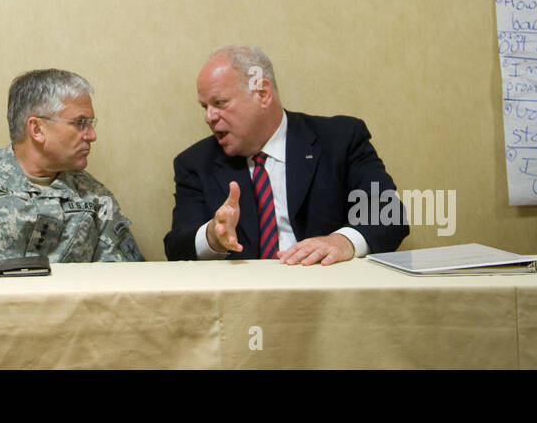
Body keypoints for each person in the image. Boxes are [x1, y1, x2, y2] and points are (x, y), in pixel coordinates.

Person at [164, 45, 408, 264]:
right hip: (242, 306)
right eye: (204, 107)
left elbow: (390, 216)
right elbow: (176, 247)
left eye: (219, 103)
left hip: (328, 297)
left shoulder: (340, 140)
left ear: (262, 93)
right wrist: (212, 237)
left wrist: (343, 242)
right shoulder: (196, 163)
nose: (209, 117)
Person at [0, 69, 144, 264]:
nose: (91, 135)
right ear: (37, 129)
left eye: (91, 124)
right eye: (80, 123)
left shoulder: (95, 198)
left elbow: (125, 284)